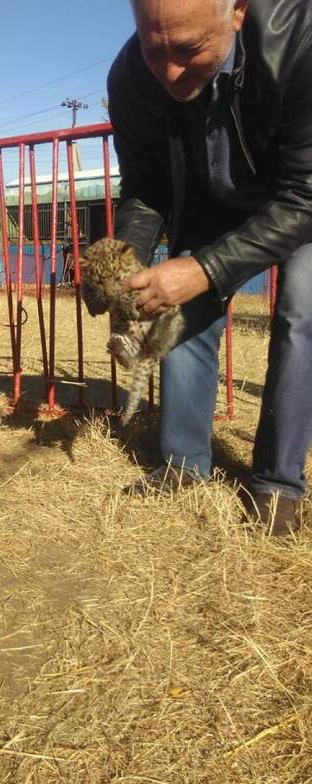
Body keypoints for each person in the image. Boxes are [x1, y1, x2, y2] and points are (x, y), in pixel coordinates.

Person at [103, 0, 312, 535]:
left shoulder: (300, 38)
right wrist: (119, 265)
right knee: (185, 312)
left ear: (238, 10)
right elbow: (145, 189)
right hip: (215, 202)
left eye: (190, 50)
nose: (170, 71)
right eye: (156, 49)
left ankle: (277, 485)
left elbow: (304, 196)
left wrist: (204, 267)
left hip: (301, 198)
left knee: (300, 311)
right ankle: (182, 465)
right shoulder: (130, 75)